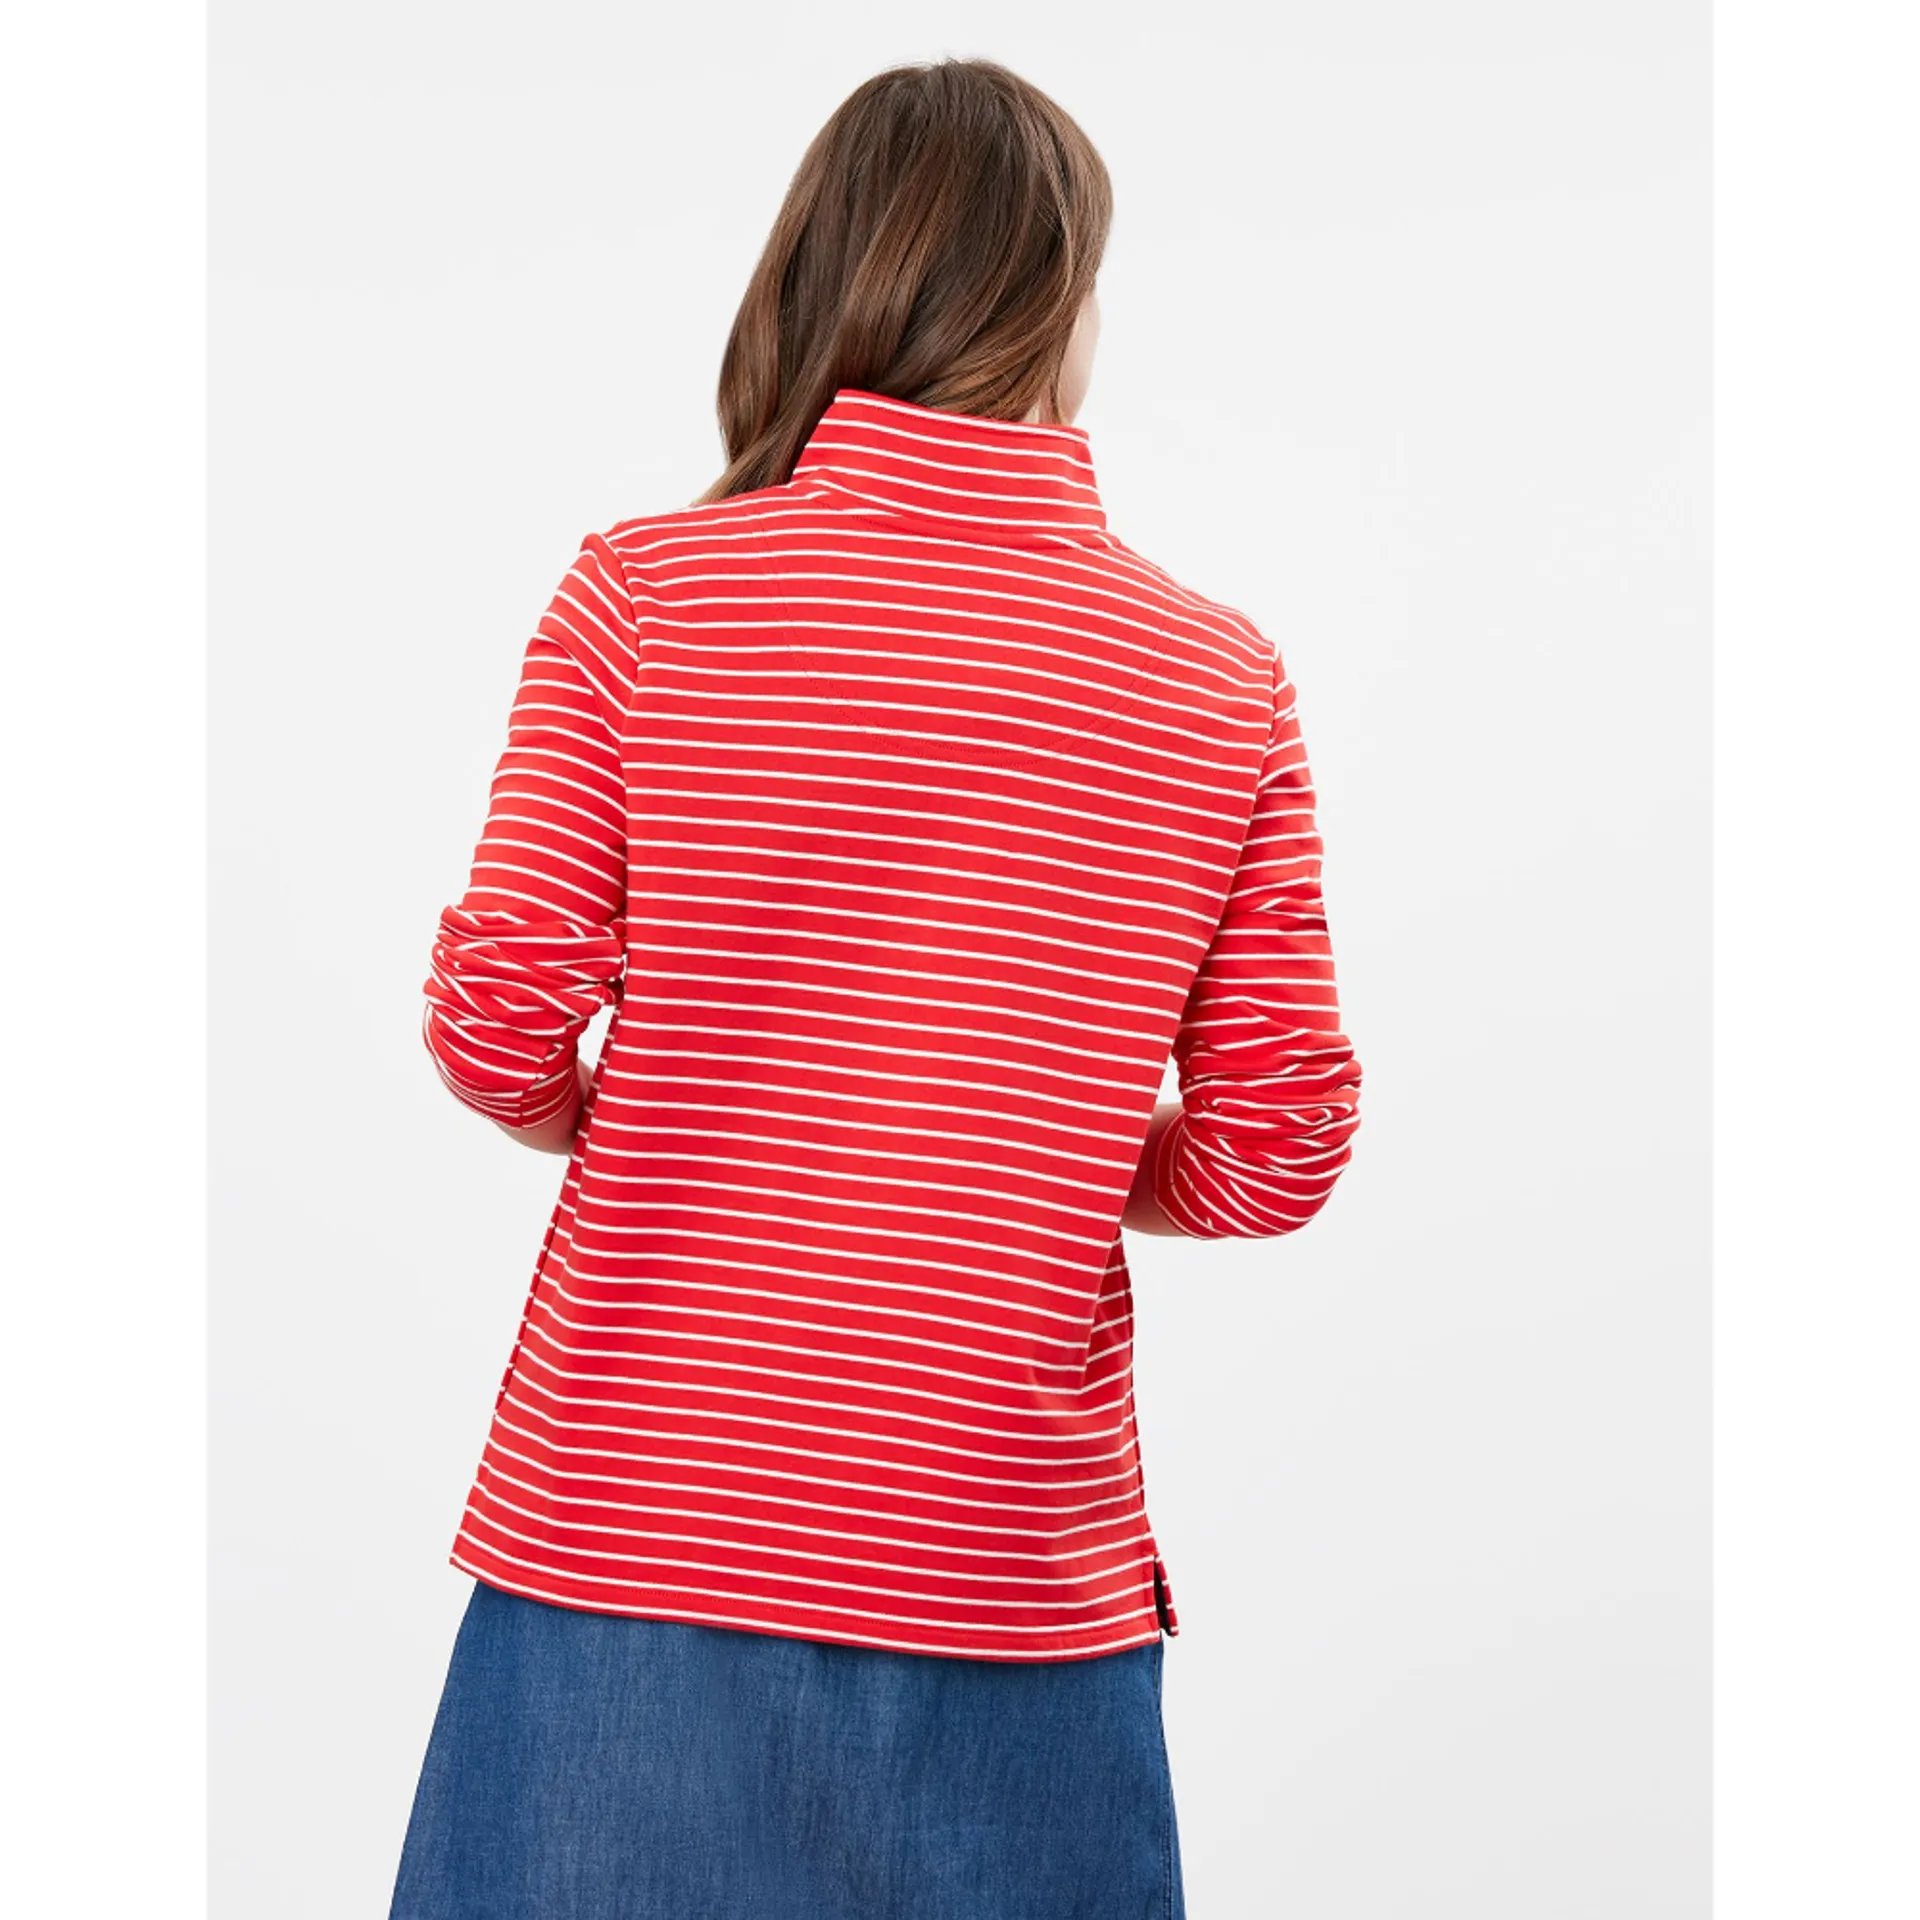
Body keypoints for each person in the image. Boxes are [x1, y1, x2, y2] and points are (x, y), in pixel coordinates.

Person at [389, 53, 1363, 1920]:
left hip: (634, 1532)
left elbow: (494, 1016)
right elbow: (1278, 1148)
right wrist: (1030, 1144)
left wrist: (685, 1115)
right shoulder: (1215, 675)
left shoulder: (649, 598)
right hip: (1015, 1579)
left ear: (819, 278)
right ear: (1062, 306)